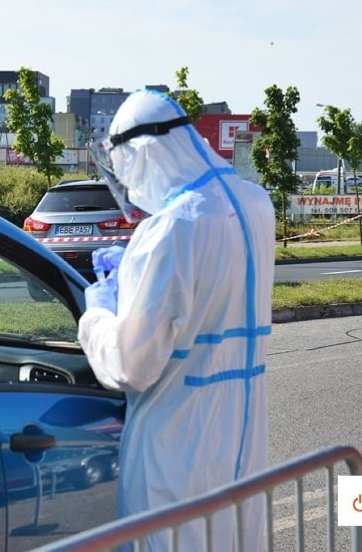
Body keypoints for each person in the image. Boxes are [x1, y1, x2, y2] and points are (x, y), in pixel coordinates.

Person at [79, 90, 275, 550]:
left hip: (175, 451)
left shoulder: (171, 228)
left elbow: (131, 365)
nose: (127, 184)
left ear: (144, 153)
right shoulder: (255, 205)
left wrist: (99, 311)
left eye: (125, 167)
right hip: (240, 442)